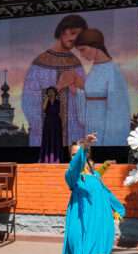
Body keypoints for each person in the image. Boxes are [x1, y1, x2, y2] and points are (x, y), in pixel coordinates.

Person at [61, 133, 125, 254]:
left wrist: (118, 208)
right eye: (73, 154)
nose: (76, 156)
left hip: (93, 228)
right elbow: (74, 167)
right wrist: (83, 148)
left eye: (79, 153)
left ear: (88, 155)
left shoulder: (95, 175)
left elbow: (105, 192)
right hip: (80, 228)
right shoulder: (74, 176)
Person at [22, 14, 88, 146]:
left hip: (73, 138)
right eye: (72, 32)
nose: (74, 38)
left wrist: (81, 90)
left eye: (78, 36)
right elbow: (29, 103)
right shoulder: (40, 63)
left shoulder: (76, 64)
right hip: (47, 137)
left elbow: (87, 105)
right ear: (61, 31)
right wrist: (59, 86)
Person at [74, 29, 130, 146]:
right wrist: (80, 88)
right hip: (92, 128)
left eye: (83, 49)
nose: (82, 55)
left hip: (105, 133)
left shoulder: (112, 70)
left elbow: (117, 110)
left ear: (95, 45)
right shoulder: (95, 67)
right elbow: (95, 96)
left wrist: (109, 143)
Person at [38, 87, 63, 163]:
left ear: (55, 93)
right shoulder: (46, 101)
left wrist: (63, 124)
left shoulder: (58, 102)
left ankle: (56, 158)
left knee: (56, 139)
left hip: (56, 122)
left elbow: (62, 114)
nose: (51, 93)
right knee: (47, 139)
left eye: (52, 91)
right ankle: (46, 159)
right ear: (47, 93)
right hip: (48, 122)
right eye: (49, 92)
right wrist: (47, 99)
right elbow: (43, 108)